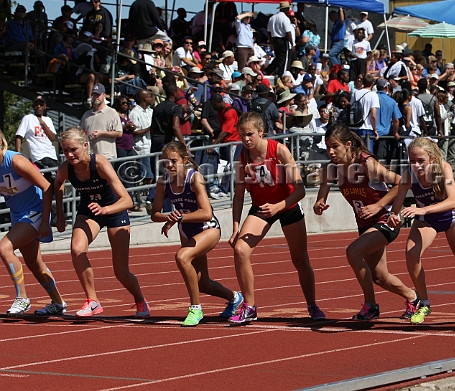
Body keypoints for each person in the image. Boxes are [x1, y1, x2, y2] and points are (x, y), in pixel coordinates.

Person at [228, 112, 325, 324]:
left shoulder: (279, 150)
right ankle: (249, 306)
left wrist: (278, 206)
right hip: (260, 208)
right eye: (242, 135)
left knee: (300, 259)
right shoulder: (241, 156)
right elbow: (238, 194)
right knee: (240, 250)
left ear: (261, 132)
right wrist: (235, 227)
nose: (246, 139)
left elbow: (300, 190)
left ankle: (312, 305)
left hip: (287, 205)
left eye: (250, 134)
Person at [314, 123, 417, 321]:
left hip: (386, 219)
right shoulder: (330, 169)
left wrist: (379, 205)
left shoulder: (367, 164)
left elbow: (404, 182)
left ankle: (371, 306)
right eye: (327, 147)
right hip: (365, 224)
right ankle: (413, 297)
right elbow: (322, 195)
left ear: (348, 145)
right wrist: (319, 204)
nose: (330, 151)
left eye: (335, 146)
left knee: (353, 252)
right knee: (379, 276)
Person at [387, 137, 455, 324]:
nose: (416, 165)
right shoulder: (408, 175)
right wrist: (393, 215)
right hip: (427, 221)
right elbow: (398, 201)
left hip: (452, 219)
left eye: (421, 161)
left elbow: (453, 201)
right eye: (412, 161)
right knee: (411, 254)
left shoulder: (444, 169)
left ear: (432, 159)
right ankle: (425, 302)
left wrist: (423, 209)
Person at [54, 127, 149, 318]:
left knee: (121, 272)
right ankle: (92, 301)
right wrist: (60, 213)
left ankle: (140, 299)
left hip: (114, 211)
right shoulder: (65, 168)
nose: (69, 155)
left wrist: (106, 209)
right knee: (77, 250)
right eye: (65, 151)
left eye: (73, 149)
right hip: (89, 211)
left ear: (85, 145)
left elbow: (127, 201)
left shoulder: (100, 164)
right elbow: (57, 184)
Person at [151, 142, 243, 326]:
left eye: (173, 161)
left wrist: (178, 218)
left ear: (184, 160)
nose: (169, 165)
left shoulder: (194, 178)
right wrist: (168, 216)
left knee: (182, 257)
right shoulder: (163, 182)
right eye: (165, 162)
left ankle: (195, 308)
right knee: (202, 283)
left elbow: (206, 212)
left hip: (207, 228)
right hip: (187, 230)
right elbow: (154, 214)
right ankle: (234, 297)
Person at [0, 129, 66, 315]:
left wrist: (45, 221)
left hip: (35, 211)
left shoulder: (15, 161)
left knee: (4, 248)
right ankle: (58, 303)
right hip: (18, 215)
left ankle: (22, 299)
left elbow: (46, 186)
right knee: (34, 263)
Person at [80, 83, 123, 160]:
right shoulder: (86, 114)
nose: (96, 97)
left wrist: (102, 134)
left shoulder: (112, 112)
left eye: (98, 95)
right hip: (90, 156)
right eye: (94, 95)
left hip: (107, 157)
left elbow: (119, 133)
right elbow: (80, 132)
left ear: (104, 95)